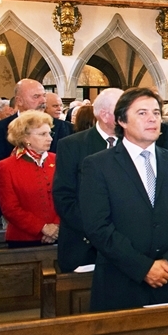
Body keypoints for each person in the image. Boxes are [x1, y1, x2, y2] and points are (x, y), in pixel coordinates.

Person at [80, 88, 168, 311]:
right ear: (121, 120)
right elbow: (98, 226)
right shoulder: (98, 165)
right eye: (142, 113)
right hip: (122, 282)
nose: (152, 119)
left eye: (156, 112)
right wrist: (143, 268)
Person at [53, 88, 123, 272]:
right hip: (84, 244)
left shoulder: (134, 144)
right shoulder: (72, 145)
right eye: (123, 109)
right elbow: (64, 197)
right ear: (105, 115)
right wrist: (99, 231)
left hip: (127, 243)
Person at [0, 111, 59, 248]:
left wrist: (56, 226)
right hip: (24, 239)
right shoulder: (6, 166)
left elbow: (68, 196)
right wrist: (42, 228)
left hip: (60, 235)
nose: (50, 138)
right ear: (25, 138)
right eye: (43, 134)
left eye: (50, 133)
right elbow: (9, 208)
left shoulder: (59, 160)